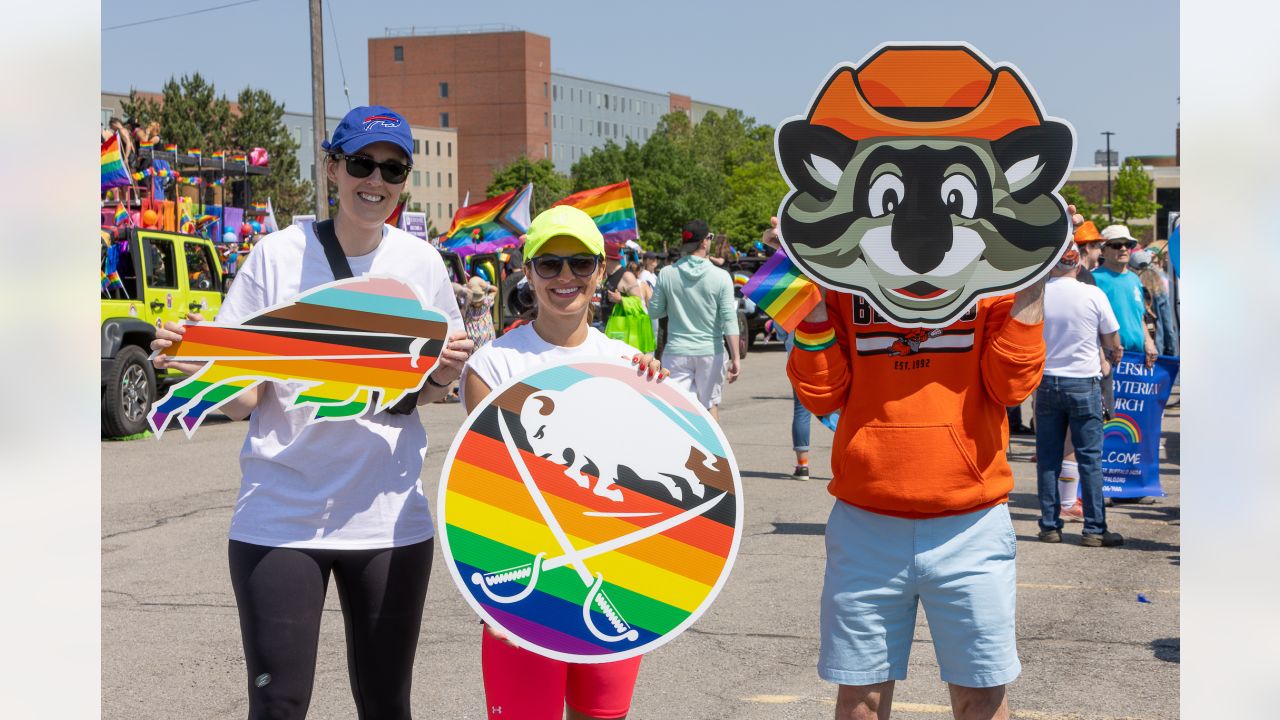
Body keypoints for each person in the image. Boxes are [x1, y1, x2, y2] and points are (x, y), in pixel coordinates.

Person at [151, 104, 472, 720]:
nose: (375, 182)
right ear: (332, 168)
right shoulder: (276, 257)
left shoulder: (422, 264)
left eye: (392, 169)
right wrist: (199, 362)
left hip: (388, 521)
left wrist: (443, 374)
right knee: (279, 703)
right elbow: (247, 398)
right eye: (361, 164)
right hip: (281, 517)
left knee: (386, 704)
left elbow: (426, 393)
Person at [777, 205, 1078, 720]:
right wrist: (808, 296)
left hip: (971, 523)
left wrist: (1035, 273)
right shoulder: (846, 278)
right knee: (859, 699)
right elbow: (822, 395)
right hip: (867, 523)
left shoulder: (992, 278)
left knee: (980, 695)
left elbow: (1013, 385)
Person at [461, 204, 667, 720]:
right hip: (525, 575)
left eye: (580, 263)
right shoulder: (495, 364)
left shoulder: (626, 364)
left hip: (615, 575)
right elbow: (500, 480)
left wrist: (661, 399)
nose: (565, 277)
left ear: (601, 270)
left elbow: (650, 477)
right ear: (527, 272)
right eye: (549, 264)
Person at [1035, 245, 1125, 546]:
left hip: (1046, 380)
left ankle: (1049, 525)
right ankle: (1094, 530)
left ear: (1052, 265)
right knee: (1090, 459)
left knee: (1048, 458)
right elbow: (1112, 337)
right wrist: (1114, 353)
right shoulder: (1092, 294)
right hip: (1083, 382)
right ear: (1078, 265)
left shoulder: (1040, 293)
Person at [648, 220, 741, 420]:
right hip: (711, 350)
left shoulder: (666, 274)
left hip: (676, 351)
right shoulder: (721, 277)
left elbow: (654, 311)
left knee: (680, 412)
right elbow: (729, 320)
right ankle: (713, 451)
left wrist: (675, 306)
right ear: (705, 242)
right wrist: (736, 357)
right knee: (709, 407)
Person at [1093, 225, 1158, 369]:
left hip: (1138, 357)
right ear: (1103, 250)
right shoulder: (1094, 279)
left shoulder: (1134, 279)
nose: (1123, 249)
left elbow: (1139, 316)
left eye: (1128, 245)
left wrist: (1149, 342)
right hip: (1108, 357)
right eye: (1116, 245)